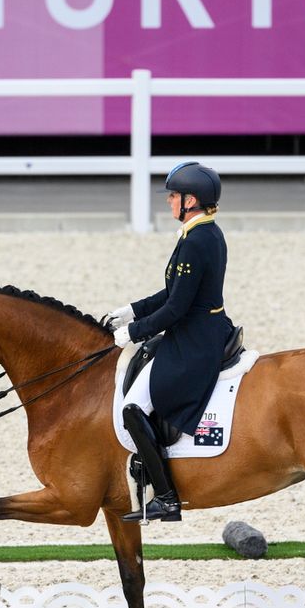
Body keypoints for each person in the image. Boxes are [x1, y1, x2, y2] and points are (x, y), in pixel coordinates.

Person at [107, 161, 234, 523]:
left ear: (190, 200)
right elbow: (173, 291)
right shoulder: (205, 232)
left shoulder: (196, 242)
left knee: (133, 407)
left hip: (194, 339)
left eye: (173, 196)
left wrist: (134, 333)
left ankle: (166, 497)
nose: (168, 202)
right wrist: (132, 310)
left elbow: (177, 307)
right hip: (202, 328)